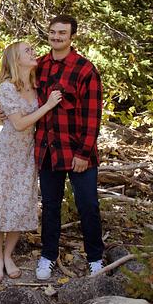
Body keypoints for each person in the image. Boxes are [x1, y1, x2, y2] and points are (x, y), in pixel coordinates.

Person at [0, 41, 62, 283]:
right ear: (16, 59)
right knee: (1, 202)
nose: (33, 53)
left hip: (27, 154)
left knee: (20, 202)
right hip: (6, 154)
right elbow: (19, 124)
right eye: (28, 51)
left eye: (33, 49)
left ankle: (8, 255)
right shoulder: (7, 87)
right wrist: (48, 105)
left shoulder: (37, 85)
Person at [34, 14, 104, 279]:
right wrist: (5, 109)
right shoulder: (39, 65)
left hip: (77, 152)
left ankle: (95, 258)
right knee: (50, 205)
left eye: (62, 33)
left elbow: (93, 116)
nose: (56, 37)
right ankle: (48, 256)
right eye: (53, 32)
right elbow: (23, 94)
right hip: (48, 150)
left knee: (88, 205)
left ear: (72, 36)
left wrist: (84, 153)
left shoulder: (85, 70)